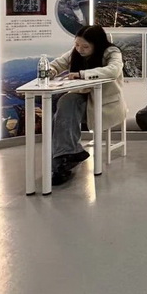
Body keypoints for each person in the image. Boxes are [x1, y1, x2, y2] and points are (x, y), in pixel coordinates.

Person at [49, 25, 126, 186]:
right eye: (77, 45)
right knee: (65, 102)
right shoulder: (75, 52)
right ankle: (66, 157)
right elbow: (57, 64)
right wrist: (51, 70)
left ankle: (63, 161)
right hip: (82, 99)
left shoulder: (112, 52)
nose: (80, 49)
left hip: (104, 103)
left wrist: (82, 74)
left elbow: (113, 71)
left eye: (85, 46)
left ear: (97, 44)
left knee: (61, 115)